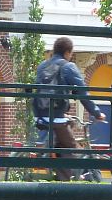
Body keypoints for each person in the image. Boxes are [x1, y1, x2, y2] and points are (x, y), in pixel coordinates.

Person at [32, 37, 106, 181]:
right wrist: (97, 113)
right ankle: (65, 181)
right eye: (71, 53)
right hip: (56, 116)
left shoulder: (42, 66)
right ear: (67, 52)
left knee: (68, 126)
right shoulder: (68, 67)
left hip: (39, 114)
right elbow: (83, 92)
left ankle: (52, 153)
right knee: (72, 148)